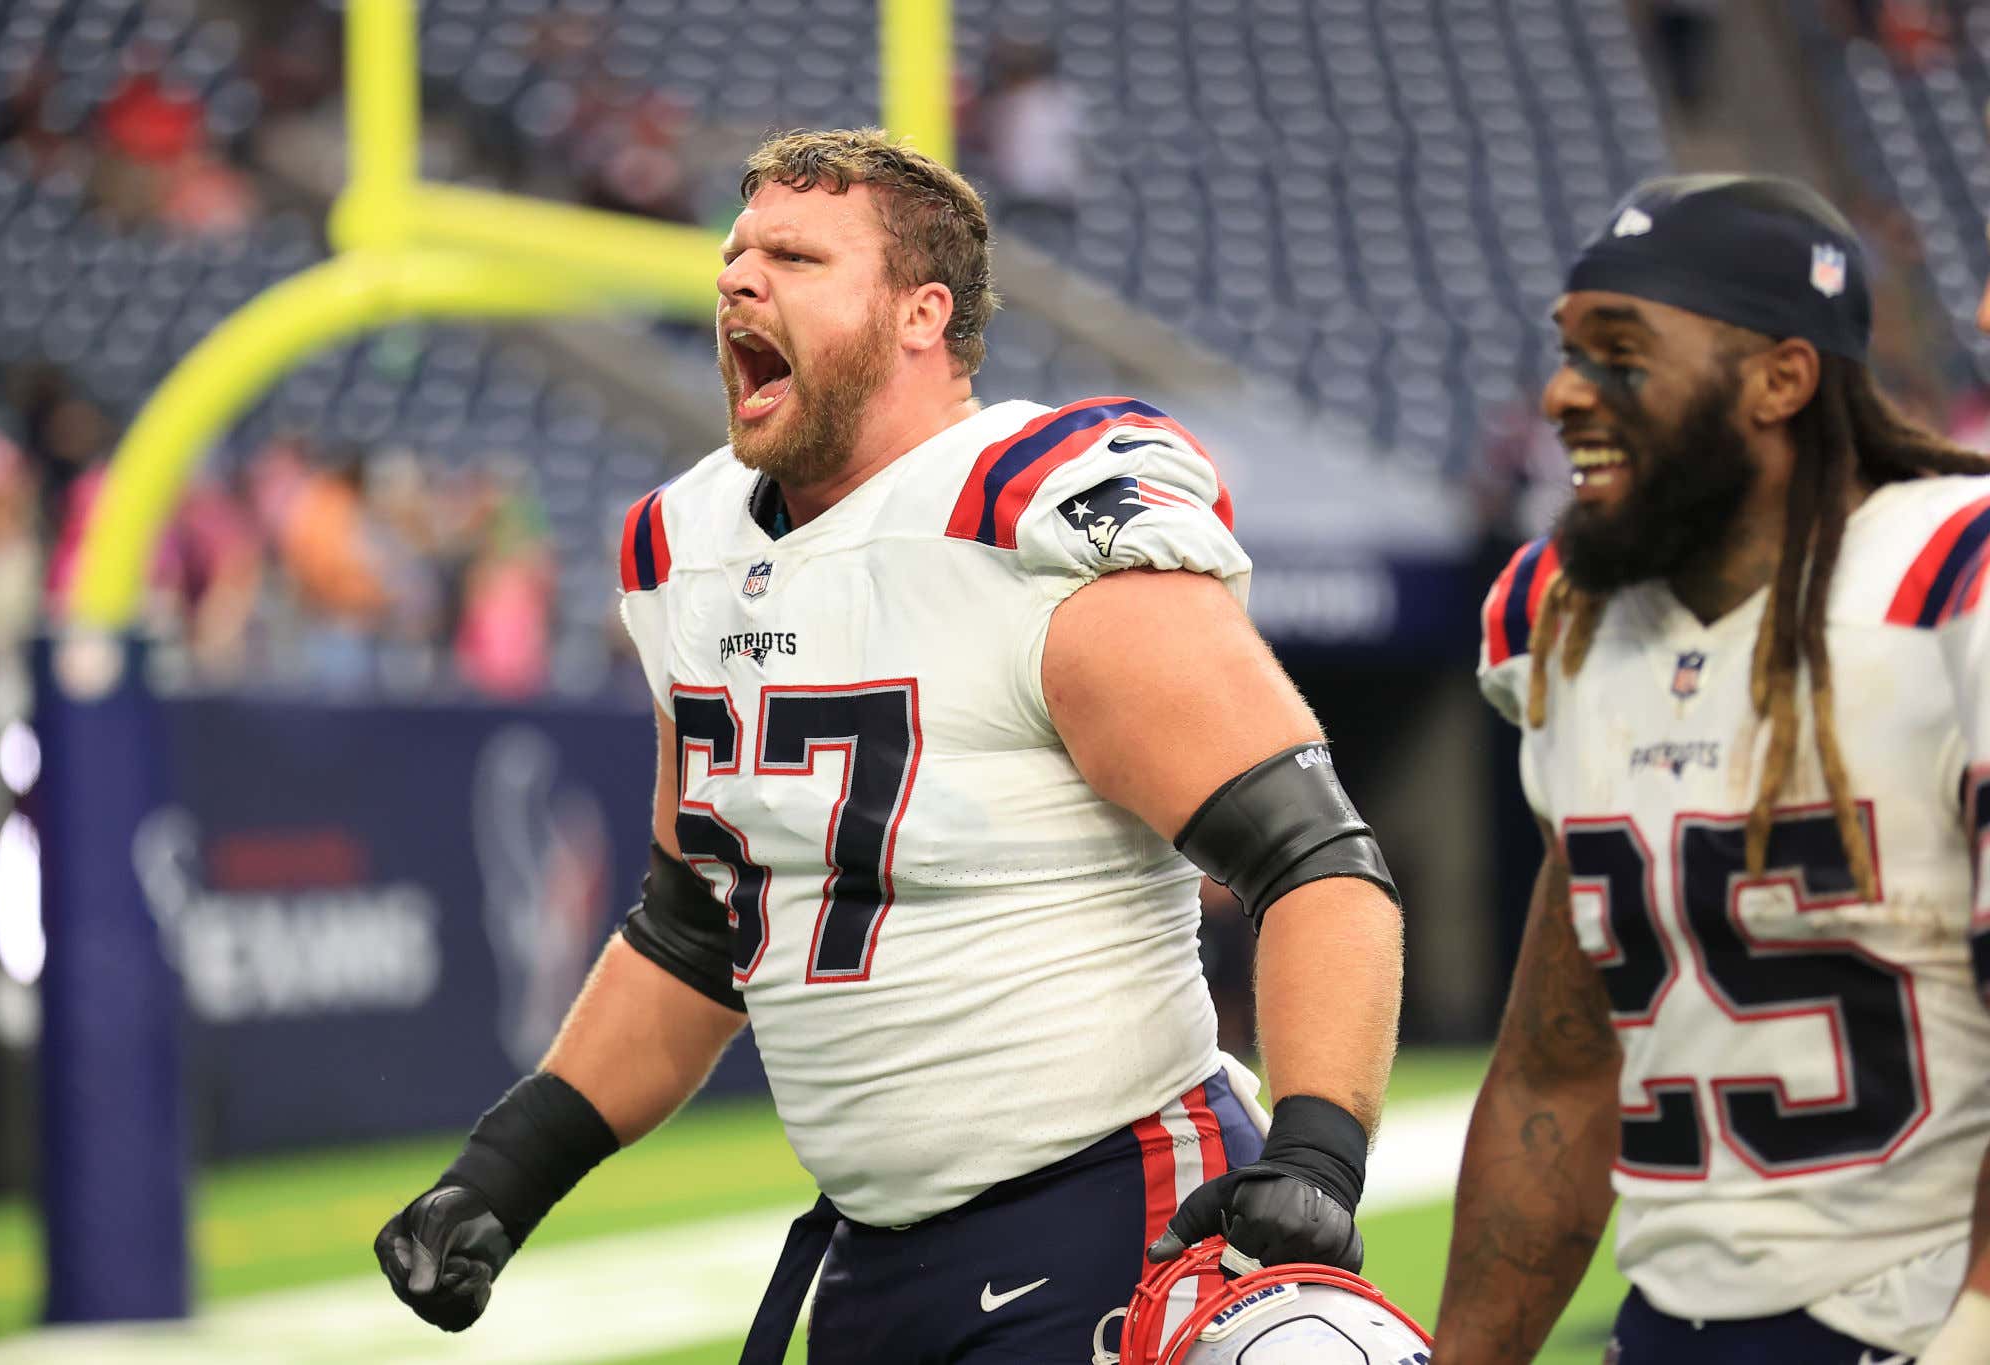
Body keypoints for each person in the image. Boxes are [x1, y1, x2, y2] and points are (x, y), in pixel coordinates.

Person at [372, 127, 1407, 1363]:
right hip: (874, 1263)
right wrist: (504, 1174)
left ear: (922, 315)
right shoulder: (687, 552)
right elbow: (700, 923)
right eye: (736, 253)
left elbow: (1315, 864)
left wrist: (1313, 1161)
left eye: (797, 257)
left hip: (1114, 1219)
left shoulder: (1025, 526)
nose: (737, 281)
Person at [1433, 173, 1990, 1364]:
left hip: (1923, 1313)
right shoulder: (1565, 619)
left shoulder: (1957, 581)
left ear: (1779, 381)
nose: (1564, 392)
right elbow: (1559, 1070)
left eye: (1621, 354)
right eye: (1570, 350)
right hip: (1679, 1323)